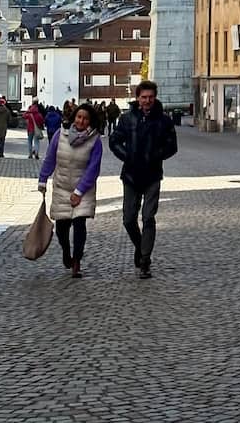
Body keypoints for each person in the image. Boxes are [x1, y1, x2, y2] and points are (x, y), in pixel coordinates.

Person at [109, 80, 178, 279]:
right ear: (138, 98)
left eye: (150, 97)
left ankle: (145, 260)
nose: (147, 101)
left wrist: (156, 155)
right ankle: (140, 246)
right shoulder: (127, 118)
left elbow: (172, 146)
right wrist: (127, 155)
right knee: (129, 219)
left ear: (154, 97)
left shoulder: (164, 120)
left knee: (148, 217)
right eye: (144, 97)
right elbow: (114, 141)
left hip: (152, 174)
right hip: (131, 174)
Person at [37, 102, 103, 278]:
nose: (82, 121)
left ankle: (77, 262)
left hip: (84, 189)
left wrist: (79, 191)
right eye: (79, 117)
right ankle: (67, 252)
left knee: (80, 225)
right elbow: (51, 158)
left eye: (86, 118)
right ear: (74, 118)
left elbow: (93, 168)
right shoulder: (60, 135)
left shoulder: (95, 141)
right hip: (62, 187)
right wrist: (43, 179)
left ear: (91, 121)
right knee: (61, 229)